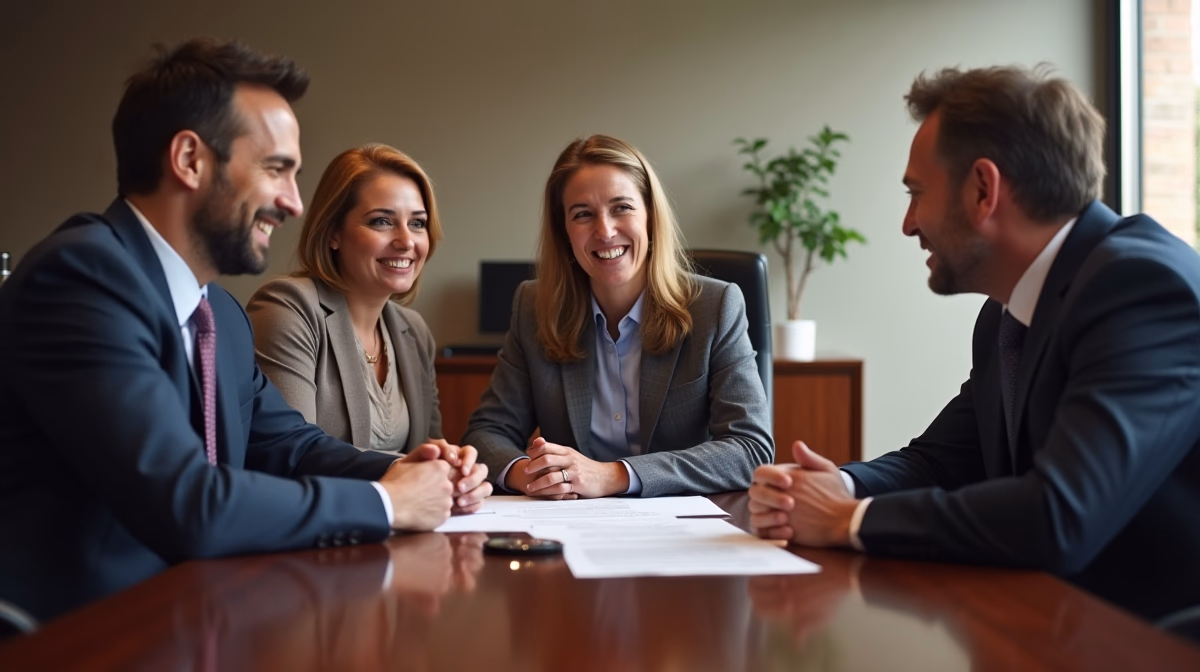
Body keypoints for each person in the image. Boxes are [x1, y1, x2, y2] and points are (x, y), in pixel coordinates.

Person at [0, 38, 479, 622]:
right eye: (276, 168)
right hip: (82, 632)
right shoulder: (80, 278)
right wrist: (387, 501)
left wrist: (407, 468)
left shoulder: (218, 315)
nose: (294, 203)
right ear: (190, 160)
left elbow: (288, 445)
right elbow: (186, 503)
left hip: (192, 617)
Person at [748, 65, 1200, 621]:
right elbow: (940, 462)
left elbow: (1060, 514)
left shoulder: (1140, 288)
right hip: (1053, 621)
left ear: (983, 190)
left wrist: (849, 520)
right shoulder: (1006, 314)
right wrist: (837, 484)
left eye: (917, 193)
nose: (908, 224)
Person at [464, 134, 773, 498]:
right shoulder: (534, 306)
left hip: (681, 530)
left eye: (621, 207)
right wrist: (532, 475)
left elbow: (749, 450)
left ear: (651, 218)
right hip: (571, 524)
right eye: (583, 214)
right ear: (564, 233)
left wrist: (612, 476)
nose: (605, 231)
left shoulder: (714, 306)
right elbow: (486, 434)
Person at [246, 144, 488, 513]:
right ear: (333, 234)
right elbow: (289, 454)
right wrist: (402, 468)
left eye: (418, 223)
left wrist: (456, 474)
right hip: (314, 538)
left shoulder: (413, 330)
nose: (406, 241)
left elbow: (429, 448)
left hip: (398, 535)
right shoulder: (287, 307)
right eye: (381, 221)